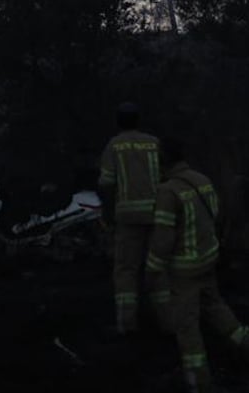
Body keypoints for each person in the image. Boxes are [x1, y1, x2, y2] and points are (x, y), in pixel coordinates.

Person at [145, 138, 249, 393]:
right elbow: (215, 216)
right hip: (209, 260)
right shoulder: (202, 180)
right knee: (216, 307)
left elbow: (163, 239)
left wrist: (153, 269)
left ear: (164, 162)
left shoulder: (168, 192)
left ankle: (199, 382)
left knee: (187, 327)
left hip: (184, 271)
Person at [97, 102, 161, 335]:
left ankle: (127, 325)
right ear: (138, 120)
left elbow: (107, 183)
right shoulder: (154, 143)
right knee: (157, 267)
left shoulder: (114, 146)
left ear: (118, 122)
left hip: (127, 217)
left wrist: (107, 215)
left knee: (126, 270)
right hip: (157, 214)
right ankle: (166, 319)